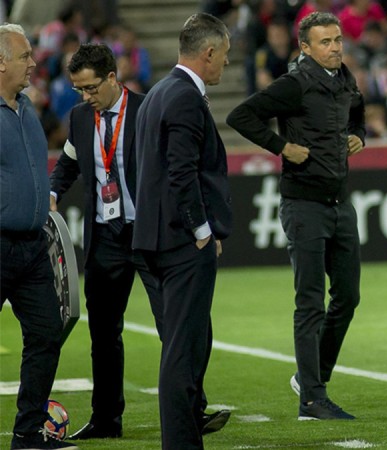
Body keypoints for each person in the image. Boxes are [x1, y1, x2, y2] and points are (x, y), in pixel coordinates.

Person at [226, 11, 366, 421]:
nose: (335, 47)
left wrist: (359, 134)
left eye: (337, 40)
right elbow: (240, 115)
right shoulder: (294, 83)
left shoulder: (344, 78)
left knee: (348, 297)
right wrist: (281, 146)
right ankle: (311, 399)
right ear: (305, 47)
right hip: (303, 204)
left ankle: (311, 378)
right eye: (325, 42)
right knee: (310, 303)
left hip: (340, 203)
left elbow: (358, 110)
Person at [133, 13, 233, 450]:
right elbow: (182, 172)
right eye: (224, 55)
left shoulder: (158, 93)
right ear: (208, 52)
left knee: (188, 343)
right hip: (180, 241)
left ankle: (187, 436)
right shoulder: (186, 98)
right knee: (183, 349)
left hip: (156, 237)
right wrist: (202, 230)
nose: (226, 63)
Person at [48, 42, 157, 440]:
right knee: (104, 334)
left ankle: (191, 410)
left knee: (173, 326)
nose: (85, 97)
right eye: (79, 89)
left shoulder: (147, 110)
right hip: (105, 237)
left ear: (113, 77)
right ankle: (106, 420)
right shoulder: (80, 118)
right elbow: (68, 164)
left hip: (148, 233)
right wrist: (52, 192)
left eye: (91, 88)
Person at [0, 23, 78, 450]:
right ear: (0, 62)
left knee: (48, 332)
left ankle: (27, 433)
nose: (34, 63)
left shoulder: (28, 109)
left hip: (32, 247)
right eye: (25, 56)